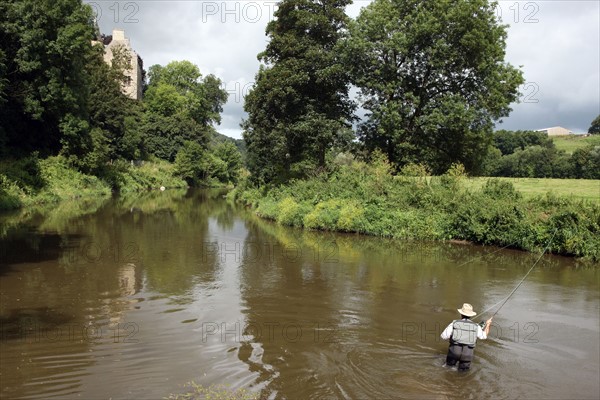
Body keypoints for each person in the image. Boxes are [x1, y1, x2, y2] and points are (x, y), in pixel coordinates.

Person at [440, 303, 492, 371]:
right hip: (467, 354)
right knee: (463, 374)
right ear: (471, 315)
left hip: (454, 351)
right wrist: (488, 324)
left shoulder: (454, 323)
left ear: (461, 314)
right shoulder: (477, 326)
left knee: (448, 369)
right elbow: (484, 336)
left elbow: (443, 336)